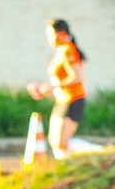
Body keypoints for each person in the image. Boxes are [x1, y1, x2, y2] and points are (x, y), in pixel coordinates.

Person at [27, 19, 88, 159]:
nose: (48, 39)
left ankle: (93, 155)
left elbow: (77, 76)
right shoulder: (61, 51)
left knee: (61, 142)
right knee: (55, 140)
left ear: (61, 34)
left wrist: (52, 86)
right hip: (62, 99)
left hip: (73, 98)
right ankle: (67, 167)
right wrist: (46, 89)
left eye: (51, 35)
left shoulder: (68, 49)